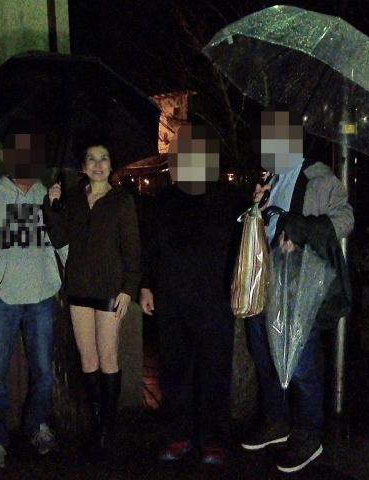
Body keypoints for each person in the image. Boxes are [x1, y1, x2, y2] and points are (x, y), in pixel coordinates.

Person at [241, 109, 354, 473]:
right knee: (264, 355)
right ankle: (277, 421)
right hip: (263, 282)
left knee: (301, 363)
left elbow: (345, 218)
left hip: (297, 285)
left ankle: (309, 433)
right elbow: (261, 225)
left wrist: (301, 231)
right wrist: (255, 206)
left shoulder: (318, 177)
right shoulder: (270, 177)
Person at [140, 123, 247, 466]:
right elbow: (151, 246)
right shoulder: (164, 199)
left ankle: (214, 438)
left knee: (214, 370)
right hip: (172, 297)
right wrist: (146, 285)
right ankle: (177, 435)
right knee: (174, 369)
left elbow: (245, 249)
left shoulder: (231, 199)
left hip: (216, 297)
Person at [0, 123, 66, 469]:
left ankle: (36, 425)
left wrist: (58, 209)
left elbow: (63, 244)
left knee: (44, 371)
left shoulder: (46, 195)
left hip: (42, 297)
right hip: (1, 298)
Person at [43, 136, 141, 461]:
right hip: (79, 288)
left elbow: (132, 249)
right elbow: (59, 238)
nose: (98, 164)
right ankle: (97, 426)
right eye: (92, 159)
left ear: (111, 165)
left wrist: (129, 288)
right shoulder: (73, 198)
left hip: (110, 289)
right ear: (83, 167)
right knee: (87, 360)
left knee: (108, 358)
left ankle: (107, 430)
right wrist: (52, 206)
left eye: (104, 158)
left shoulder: (122, 201)